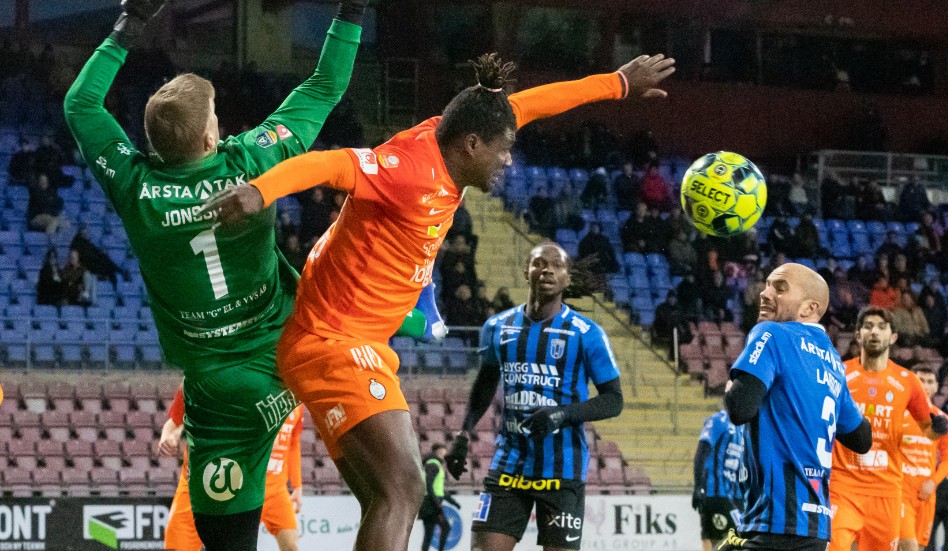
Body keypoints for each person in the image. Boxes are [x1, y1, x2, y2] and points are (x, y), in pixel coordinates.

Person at [205, 53, 675, 551]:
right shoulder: (408, 170)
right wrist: (261, 190)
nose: (509, 159)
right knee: (406, 488)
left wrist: (619, 83)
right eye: (503, 149)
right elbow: (333, 162)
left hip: (353, 341)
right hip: (333, 342)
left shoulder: (455, 136)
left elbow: (536, 103)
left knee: (385, 497)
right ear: (472, 144)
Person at [63, 1, 365, 548]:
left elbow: (81, 103)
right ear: (208, 141)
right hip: (294, 353)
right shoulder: (250, 162)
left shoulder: (135, 188)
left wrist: (124, 31)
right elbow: (323, 88)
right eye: (216, 120)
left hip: (222, 394)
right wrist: (351, 11)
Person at [442, 242, 623, 551]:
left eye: (557, 265)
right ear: (526, 272)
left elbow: (613, 400)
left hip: (562, 471)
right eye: (539, 263)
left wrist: (562, 414)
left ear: (567, 279)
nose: (547, 269)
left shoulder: (587, 333)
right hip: (508, 467)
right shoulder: (497, 328)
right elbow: (485, 384)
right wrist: (463, 433)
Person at [720, 263, 871, 551]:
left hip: (775, 519)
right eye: (766, 284)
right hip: (815, 529)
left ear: (808, 307)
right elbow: (862, 439)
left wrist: (730, 387)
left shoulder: (774, 334)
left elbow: (739, 408)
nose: (764, 293)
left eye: (779, 288)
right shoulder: (833, 362)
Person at [828, 307, 948, 551]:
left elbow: (928, 431)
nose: (874, 332)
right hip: (842, 485)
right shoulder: (839, 373)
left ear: (893, 337)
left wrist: (938, 428)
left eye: (882, 327)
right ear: (858, 335)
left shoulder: (907, 380)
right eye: (868, 326)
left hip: (886, 491)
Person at [159, 387, 304, 551]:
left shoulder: (262, 387)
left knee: (290, 545)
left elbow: (289, 441)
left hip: (249, 487)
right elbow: (174, 422)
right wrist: (169, 436)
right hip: (196, 487)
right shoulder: (191, 384)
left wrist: (297, 485)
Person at [898, 366, 948, 551]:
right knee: (907, 545)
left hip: (926, 495)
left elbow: (947, 458)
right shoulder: (898, 413)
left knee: (921, 546)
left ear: (936, 386)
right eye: (920, 380)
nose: (925, 385)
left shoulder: (941, 419)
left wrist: (933, 481)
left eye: (930, 381)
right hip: (900, 491)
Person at [693, 402, 745, 551]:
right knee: (719, 537)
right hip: (714, 493)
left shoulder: (743, 427)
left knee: (739, 537)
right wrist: (698, 487)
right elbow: (702, 452)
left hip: (734, 495)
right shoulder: (718, 420)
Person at [419, 443, 462, 551]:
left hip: (429, 503)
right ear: (439, 451)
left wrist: (453, 502)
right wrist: (437, 504)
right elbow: (429, 485)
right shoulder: (433, 465)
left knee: (429, 534)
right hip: (431, 504)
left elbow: (439, 489)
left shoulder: (433, 464)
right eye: (444, 451)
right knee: (445, 528)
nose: (446, 453)